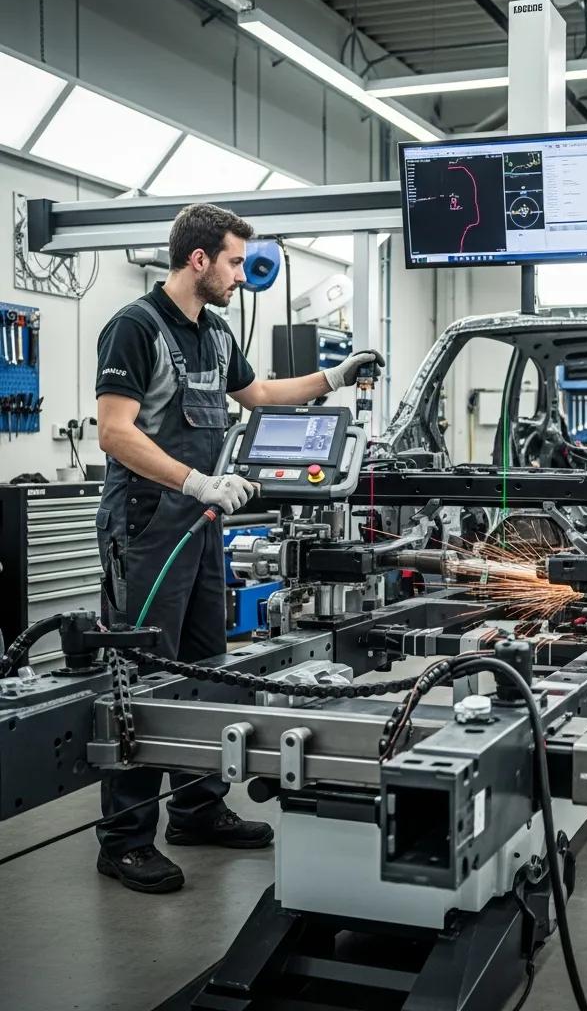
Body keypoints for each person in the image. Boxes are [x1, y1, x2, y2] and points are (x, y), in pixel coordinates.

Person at [94, 202, 383, 893]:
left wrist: (335, 380)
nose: (239, 276)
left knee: (204, 669)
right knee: (143, 680)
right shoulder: (134, 328)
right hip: (145, 529)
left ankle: (196, 809)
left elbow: (257, 395)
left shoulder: (216, 334)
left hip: (199, 527)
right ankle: (124, 838)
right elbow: (114, 431)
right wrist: (198, 480)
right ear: (200, 260)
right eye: (231, 261)